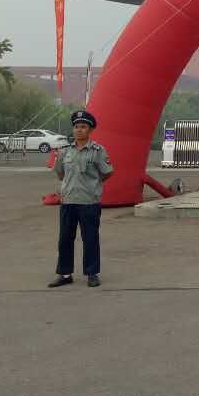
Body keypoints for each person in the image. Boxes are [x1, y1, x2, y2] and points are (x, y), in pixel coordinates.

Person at [47, 110, 113, 289]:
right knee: (65, 239)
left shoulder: (97, 151)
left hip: (89, 202)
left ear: (90, 130)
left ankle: (92, 273)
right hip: (68, 201)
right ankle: (65, 274)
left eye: (83, 127)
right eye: (76, 127)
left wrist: (92, 186)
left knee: (90, 239)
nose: (79, 130)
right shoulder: (65, 152)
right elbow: (60, 173)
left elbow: (107, 172)